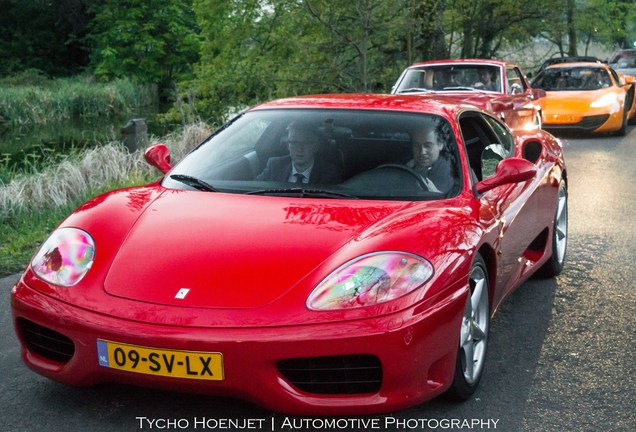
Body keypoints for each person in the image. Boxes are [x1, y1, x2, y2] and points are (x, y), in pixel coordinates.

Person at [256, 121, 343, 184]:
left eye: (306, 142)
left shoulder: (330, 173)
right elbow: (255, 188)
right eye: (294, 142)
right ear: (288, 146)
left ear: (316, 146)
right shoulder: (274, 166)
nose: (300, 148)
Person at [406, 125, 454, 193]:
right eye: (416, 146)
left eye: (428, 146)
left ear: (440, 144)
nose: (422, 152)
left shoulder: (447, 170)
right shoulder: (409, 165)